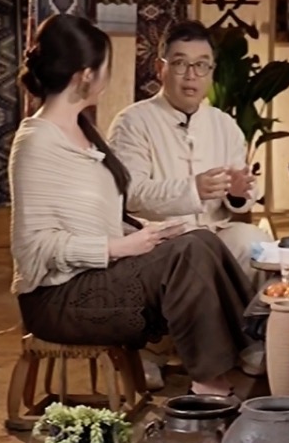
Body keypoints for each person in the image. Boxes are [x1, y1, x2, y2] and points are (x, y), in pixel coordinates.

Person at [8, 14, 250, 398]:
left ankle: (249, 345)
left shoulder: (83, 132)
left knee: (199, 238)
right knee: (188, 252)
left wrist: (147, 235)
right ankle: (211, 384)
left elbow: (104, 215)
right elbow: (32, 247)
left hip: (100, 273)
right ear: (86, 75)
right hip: (60, 297)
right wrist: (118, 247)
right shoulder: (37, 143)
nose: (108, 76)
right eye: (106, 66)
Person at [108, 21, 259, 282]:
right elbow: (131, 194)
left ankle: (257, 311)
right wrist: (192, 190)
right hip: (160, 240)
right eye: (180, 63)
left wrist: (237, 193)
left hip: (214, 232)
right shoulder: (132, 121)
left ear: (212, 72)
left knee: (253, 242)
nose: (191, 75)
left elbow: (245, 190)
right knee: (195, 251)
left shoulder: (224, 124)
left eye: (201, 65)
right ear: (160, 68)